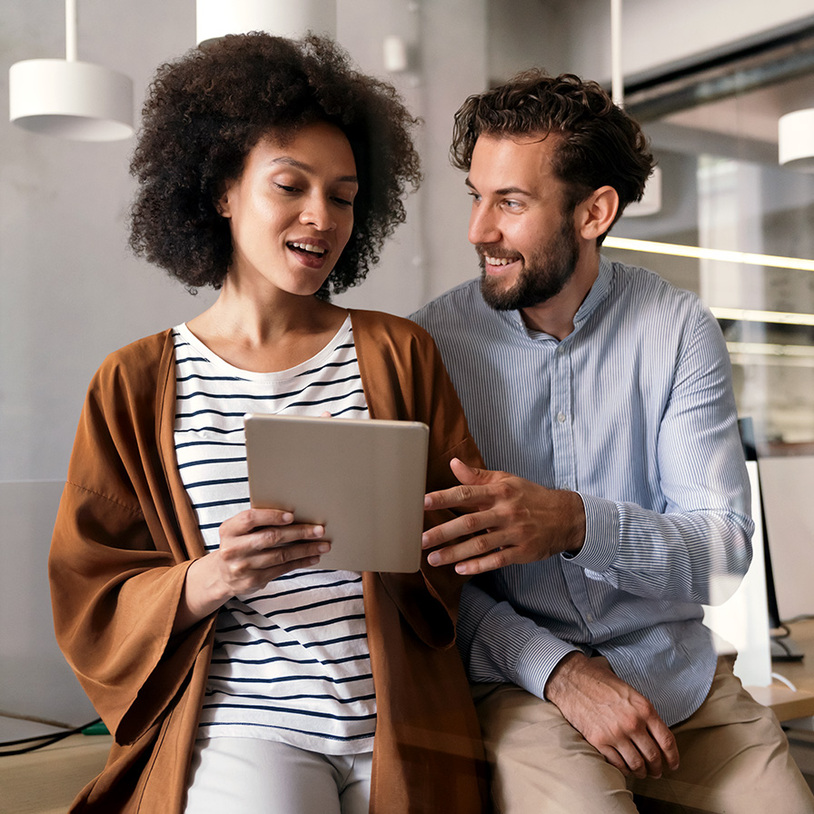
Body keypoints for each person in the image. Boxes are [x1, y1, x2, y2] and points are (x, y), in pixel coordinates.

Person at [48, 34, 488, 814]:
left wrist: (436, 529)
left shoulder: (399, 352)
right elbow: (91, 590)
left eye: (345, 196)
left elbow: (463, 549)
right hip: (249, 725)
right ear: (222, 191)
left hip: (404, 718)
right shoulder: (135, 383)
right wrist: (215, 575)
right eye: (290, 185)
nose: (322, 217)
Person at [412, 70, 814, 813]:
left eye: (510, 202)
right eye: (476, 195)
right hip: (524, 685)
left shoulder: (679, 330)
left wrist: (574, 523)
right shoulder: (430, 343)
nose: (478, 230)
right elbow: (428, 578)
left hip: (681, 682)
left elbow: (722, 552)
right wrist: (561, 671)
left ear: (594, 211)